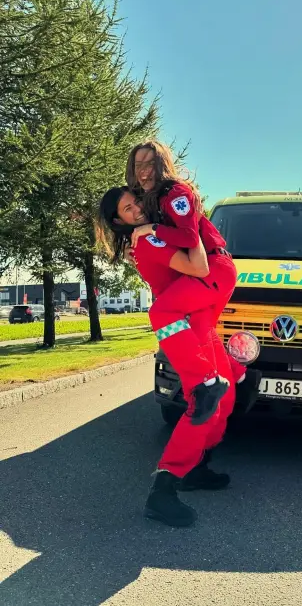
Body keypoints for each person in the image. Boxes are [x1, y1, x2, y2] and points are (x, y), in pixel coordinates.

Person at [98, 187, 258, 527]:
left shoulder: (148, 235)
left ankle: (196, 467)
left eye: (136, 202)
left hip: (196, 322)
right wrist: (184, 230)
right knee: (203, 404)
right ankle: (163, 490)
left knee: (223, 398)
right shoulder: (147, 239)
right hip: (183, 326)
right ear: (118, 220)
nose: (138, 209)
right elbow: (197, 266)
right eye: (128, 209)